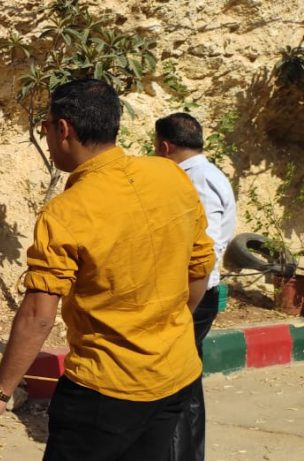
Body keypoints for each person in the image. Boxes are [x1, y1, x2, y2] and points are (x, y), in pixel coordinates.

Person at [0, 79, 215, 461]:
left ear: (63, 129)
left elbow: (38, 316)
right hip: (176, 376)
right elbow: (200, 269)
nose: (46, 136)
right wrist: (169, 331)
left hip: (104, 393)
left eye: (46, 126)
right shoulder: (169, 175)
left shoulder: (66, 212)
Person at [155, 112, 237, 461]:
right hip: (199, 291)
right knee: (188, 381)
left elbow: (204, 249)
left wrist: (185, 302)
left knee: (174, 382)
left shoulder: (196, 180)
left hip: (194, 293)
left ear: (164, 146)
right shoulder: (208, 173)